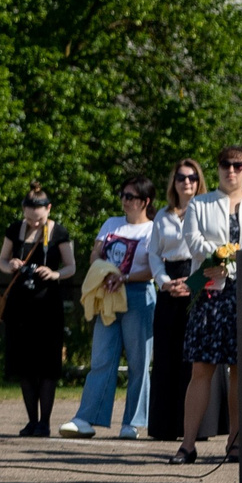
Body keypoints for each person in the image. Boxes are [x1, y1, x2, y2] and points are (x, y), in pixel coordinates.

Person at [172, 147, 242, 463]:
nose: (232, 171)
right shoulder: (199, 203)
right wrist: (218, 255)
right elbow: (193, 241)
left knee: (241, 370)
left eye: (238, 166)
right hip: (209, 294)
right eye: (226, 165)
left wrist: (233, 261)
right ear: (219, 169)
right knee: (202, 370)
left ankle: (236, 444)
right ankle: (188, 445)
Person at [62, 177, 158, 440]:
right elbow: (96, 254)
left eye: (131, 197)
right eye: (123, 195)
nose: (124, 201)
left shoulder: (153, 229)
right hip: (108, 293)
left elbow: (154, 267)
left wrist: (125, 278)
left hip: (138, 295)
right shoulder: (111, 223)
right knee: (102, 357)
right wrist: (104, 274)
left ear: (145, 201)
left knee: (139, 361)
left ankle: (133, 422)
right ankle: (86, 418)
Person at [0, 187, 75, 439]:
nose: (34, 223)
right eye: (29, 218)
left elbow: (71, 266)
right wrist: (10, 265)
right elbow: (1, 260)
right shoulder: (14, 229)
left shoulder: (59, 232)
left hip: (48, 306)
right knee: (25, 366)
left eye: (38, 218)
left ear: (49, 209)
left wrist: (54, 274)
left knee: (47, 366)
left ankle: (45, 422)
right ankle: (31, 421)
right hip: (20, 307)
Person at [147, 159, 206, 442]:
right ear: (174, 182)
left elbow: (213, 253)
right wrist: (164, 283)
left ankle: (195, 429)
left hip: (199, 282)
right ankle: (164, 426)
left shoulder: (207, 212)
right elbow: (154, 255)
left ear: (199, 181)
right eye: (181, 178)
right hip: (169, 286)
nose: (187, 183)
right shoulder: (162, 215)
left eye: (192, 178)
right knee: (166, 356)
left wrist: (193, 284)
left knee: (193, 360)